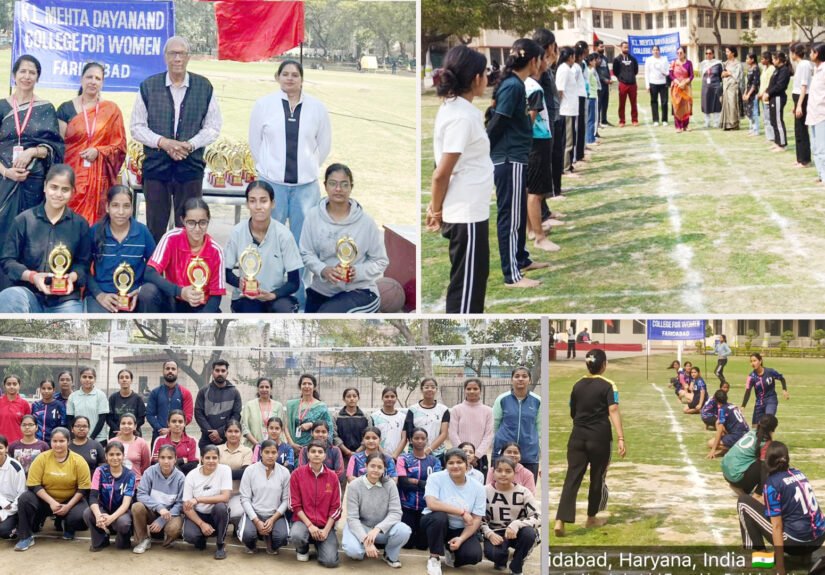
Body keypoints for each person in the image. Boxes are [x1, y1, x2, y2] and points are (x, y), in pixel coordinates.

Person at [130, 36, 222, 243]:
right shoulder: (149, 86)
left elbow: (213, 126)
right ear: (165, 58)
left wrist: (190, 145)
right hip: (156, 169)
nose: (177, 58)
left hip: (190, 169)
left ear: (189, 57)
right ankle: (154, 269)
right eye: (173, 53)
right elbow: (137, 127)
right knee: (155, 225)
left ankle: (186, 271)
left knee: (190, 225)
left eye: (182, 53)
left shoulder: (204, 87)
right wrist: (164, 142)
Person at [427, 45, 492, 313]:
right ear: (476, 78)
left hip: (471, 210)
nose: (488, 78)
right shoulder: (461, 117)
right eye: (486, 73)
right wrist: (436, 209)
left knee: (473, 283)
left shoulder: (458, 109)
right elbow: (441, 172)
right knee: (467, 290)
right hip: (466, 213)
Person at [249, 60, 331, 251]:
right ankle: (269, 280)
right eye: (285, 74)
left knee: (303, 242)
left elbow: (324, 144)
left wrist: (307, 167)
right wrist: (269, 168)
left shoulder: (317, 108)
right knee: (267, 238)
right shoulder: (263, 105)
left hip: (305, 188)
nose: (290, 79)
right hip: (272, 184)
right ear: (277, 77)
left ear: (302, 79)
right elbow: (255, 142)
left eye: (295, 75)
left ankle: (300, 282)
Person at [0, 54, 63, 290]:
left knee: (30, 236)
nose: (27, 76)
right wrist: (6, 172)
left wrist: (32, 152)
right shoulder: (1, 106)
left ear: (38, 77)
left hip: (33, 185)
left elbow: (55, 148)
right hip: (3, 183)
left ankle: (28, 287)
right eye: (22, 71)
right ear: (14, 75)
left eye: (32, 72)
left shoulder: (46, 108)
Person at [487, 39, 545, 290]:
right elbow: (497, 123)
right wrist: (483, 151)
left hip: (515, 158)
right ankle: (511, 274)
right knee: (510, 218)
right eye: (540, 59)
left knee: (517, 215)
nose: (542, 64)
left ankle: (520, 259)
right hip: (509, 159)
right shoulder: (512, 86)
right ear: (533, 61)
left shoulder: (515, 84)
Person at [0, 164, 90, 313]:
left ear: (73, 192)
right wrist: (33, 277)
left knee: (73, 323)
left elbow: (84, 264)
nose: (58, 194)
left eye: (65, 189)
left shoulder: (81, 225)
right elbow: (7, 260)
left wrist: (71, 278)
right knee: (8, 298)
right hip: (28, 295)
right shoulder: (24, 220)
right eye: (54, 187)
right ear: (44, 187)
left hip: (65, 300)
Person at [554, 349, 626, 536]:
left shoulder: (577, 385)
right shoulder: (609, 385)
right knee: (597, 477)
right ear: (604, 365)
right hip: (599, 438)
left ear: (587, 364)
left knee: (572, 478)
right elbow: (614, 409)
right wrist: (620, 437)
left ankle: (560, 520)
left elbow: (573, 411)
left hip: (577, 437)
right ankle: (591, 517)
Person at [300, 163, 388, 313]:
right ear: (325, 186)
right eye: (333, 183)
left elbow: (380, 261)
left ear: (351, 187)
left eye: (344, 184)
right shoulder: (313, 216)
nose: (338, 189)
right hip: (322, 290)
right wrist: (323, 270)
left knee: (328, 313)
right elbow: (306, 253)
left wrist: (357, 272)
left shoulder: (366, 222)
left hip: (359, 290)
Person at [736, 441, 825, 575]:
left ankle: (758, 555)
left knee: (743, 502)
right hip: (818, 539)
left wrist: (780, 568)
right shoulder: (798, 473)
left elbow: (777, 526)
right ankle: (806, 555)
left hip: (795, 544)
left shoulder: (773, 483)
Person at [56, 62, 126, 226]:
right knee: (69, 223)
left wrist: (99, 151)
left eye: (97, 78)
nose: (93, 81)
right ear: (81, 79)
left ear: (102, 83)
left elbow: (120, 146)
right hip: (71, 177)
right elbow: (59, 146)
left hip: (99, 181)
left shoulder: (111, 110)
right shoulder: (66, 109)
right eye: (89, 77)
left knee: (95, 225)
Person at [224, 181, 302, 313]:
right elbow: (225, 272)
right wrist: (240, 284)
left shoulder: (284, 235)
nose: (258, 206)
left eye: (264, 201)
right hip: (246, 296)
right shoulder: (237, 232)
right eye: (253, 201)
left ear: (273, 203)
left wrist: (272, 295)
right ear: (247, 204)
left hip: (276, 296)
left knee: (284, 309)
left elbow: (294, 282)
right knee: (250, 312)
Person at [14, 427, 91, 550]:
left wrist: (68, 506)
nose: (58, 444)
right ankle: (26, 537)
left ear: (68, 442)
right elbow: (33, 484)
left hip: (70, 500)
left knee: (80, 517)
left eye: (62, 441)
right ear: (50, 442)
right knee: (24, 499)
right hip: (46, 500)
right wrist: (52, 502)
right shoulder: (42, 458)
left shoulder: (78, 460)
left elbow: (83, 488)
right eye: (55, 441)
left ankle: (68, 525)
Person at [144, 197, 226, 312]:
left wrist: (202, 318)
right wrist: (180, 291)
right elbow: (149, 273)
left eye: (202, 223)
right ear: (183, 220)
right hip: (173, 298)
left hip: (201, 305)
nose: (197, 229)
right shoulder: (171, 238)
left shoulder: (216, 251)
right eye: (191, 223)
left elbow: (216, 295)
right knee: (148, 292)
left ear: (208, 220)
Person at [85, 185, 159, 313]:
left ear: (132, 208)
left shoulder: (142, 232)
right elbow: (83, 268)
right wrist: (99, 295)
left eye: (126, 206)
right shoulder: (95, 231)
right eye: (115, 206)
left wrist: (140, 290)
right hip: (105, 294)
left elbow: (155, 267)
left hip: (134, 295)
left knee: (150, 293)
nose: (121, 212)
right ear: (107, 207)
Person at [420, 448, 485, 575]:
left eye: (459, 462)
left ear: (467, 464)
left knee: (473, 556)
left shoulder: (478, 488)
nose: (455, 466)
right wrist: (462, 512)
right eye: (451, 463)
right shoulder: (435, 478)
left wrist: (461, 539)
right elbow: (432, 504)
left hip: (460, 528)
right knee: (439, 516)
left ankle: (450, 550)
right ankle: (434, 557)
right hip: (434, 523)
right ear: (445, 465)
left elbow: (477, 518)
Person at [342, 452, 412, 568]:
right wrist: (366, 540)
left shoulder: (390, 485)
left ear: (384, 469)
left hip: (381, 529)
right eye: (372, 466)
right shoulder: (355, 485)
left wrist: (377, 529)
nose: (376, 470)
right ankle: (364, 547)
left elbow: (396, 513)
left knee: (404, 530)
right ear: (366, 466)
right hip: (361, 526)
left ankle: (389, 555)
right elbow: (352, 518)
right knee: (355, 553)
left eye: (380, 467)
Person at [482, 456, 540, 574]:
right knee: (495, 555)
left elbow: (538, 517)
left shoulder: (523, 492)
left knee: (529, 534)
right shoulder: (484, 491)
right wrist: (489, 533)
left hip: (517, 532)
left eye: (508, 471)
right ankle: (501, 558)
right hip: (495, 532)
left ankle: (516, 566)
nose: (503, 474)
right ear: (493, 473)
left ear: (514, 474)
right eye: (499, 470)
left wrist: (517, 524)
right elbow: (477, 518)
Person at [289, 439, 342, 567]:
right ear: (308, 454)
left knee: (330, 562)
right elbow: (294, 505)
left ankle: (320, 543)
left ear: (325, 455)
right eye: (313, 451)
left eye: (320, 452)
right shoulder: (297, 474)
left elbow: (337, 508)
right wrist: (310, 526)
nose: (316, 454)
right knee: (296, 535)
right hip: (303, 522)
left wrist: (326, 530)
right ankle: (302, 548)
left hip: (325, 525)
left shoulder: (333, 477)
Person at [524, 50, 558, 253]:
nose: (546, 62)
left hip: (532, 142)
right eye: (543, 58)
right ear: (534, 62)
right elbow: (531, 118)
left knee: (530, 190)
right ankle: (539, 237)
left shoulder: (521, 84)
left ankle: (531, 229)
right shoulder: (533, 87)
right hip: (538, 141)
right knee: (536, 192)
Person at [238, 439, 291, 554]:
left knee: (282, 537)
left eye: (273, 452)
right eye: (267, 452)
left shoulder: (285, 472)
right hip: (254, 514)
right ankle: (252, 544)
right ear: (261, 452)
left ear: (278, 453)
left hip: (275, 515)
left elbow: (286, 500)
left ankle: (271, 541)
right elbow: (245, 498)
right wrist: (256, 521)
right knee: (247, 535)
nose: (270, 456)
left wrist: (273, 519)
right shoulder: (250, 471)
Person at [132, 444, 185, 553]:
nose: (166, 461)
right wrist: (159, 508)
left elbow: (180, 504)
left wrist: (162, 520)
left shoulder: (180, 477)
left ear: (175, 459)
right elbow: (141, 494)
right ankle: (143, 539)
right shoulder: (149, 472)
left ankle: (169, 538)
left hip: (170, 514)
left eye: (170, 458)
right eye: (162, 457)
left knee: (174, 528)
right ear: (158, 459)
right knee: (137, 506)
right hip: (152, 511)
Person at [83, 440, 136, 551]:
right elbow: (93, 496)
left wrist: (112, 518)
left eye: (118, 454)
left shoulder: (130, 475)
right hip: (104, 510)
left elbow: (126, 504)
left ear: (123, 456)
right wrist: (98, 516)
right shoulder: (100, 471)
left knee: (123, 523)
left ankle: (123, 538)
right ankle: (101, 538)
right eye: (111, 454)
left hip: (121, 513)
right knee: (88, 513)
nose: (115, 457)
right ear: (106, 456)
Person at [182, 445, 232, 559]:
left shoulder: (225, 470)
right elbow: (186, 506)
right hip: (198, 513)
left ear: (219, 459)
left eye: (214, 458)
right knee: (190, 536)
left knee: (221, 508)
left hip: (216, 513)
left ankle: (220, 544)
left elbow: (225, 497)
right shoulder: (192, 475)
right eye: (207, 458)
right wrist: (201, 524)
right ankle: (201, 538)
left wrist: (198, 499)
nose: (211, 461)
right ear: (201, 458)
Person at [398, 427, 441, 550]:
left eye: (423, 438)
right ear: (411, 440)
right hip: (407, 505)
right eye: (416, 438)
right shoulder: (403, 459)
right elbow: (402, 482)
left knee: (422, 546)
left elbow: (435, 484)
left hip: (426, 507)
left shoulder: (434, 461)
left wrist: (413, 481)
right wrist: (423, 483)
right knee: (407, 544)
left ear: (427, 440)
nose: (420, 441)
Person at [493, 367, 540, 480]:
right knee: (500, 487)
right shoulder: (502, 399)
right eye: (517, 376)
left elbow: (540, 428)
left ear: (529, 380)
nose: (520, 379)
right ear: (511, 380)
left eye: (524, 376)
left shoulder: (537, 400)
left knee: (527, 489)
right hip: (503, 453)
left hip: (528, 453)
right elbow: (494, 424)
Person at [722, 414, 777, 497]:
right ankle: (757, 495)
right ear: (773, 429)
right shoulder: (765, 442)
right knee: (767, 465)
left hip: (726, 471)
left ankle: (741, 488)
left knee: (757, 461)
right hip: (736, 477)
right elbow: (764, 468)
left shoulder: (752, 432)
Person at [194, 359, 243, 452]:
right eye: (217, 370)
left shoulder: (235, 392)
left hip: (227, 439)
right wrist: (211, 433)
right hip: (206, 439)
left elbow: (236, 416)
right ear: (212, 372)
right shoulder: (203, 391)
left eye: (223, 371)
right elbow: (198, 414)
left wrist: (220, 432)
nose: (220, 373)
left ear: (227, 373)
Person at [449, 378, 494, 476]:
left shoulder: (488, 411)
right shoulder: (456, 410)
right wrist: (463, 454)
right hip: (458, 457)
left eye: (475, 388)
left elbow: (488, 435)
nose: (472, 391)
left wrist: (476, 456)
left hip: (479, 459)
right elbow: (452, 433)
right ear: (464, 390)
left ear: (480, 390)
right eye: (469, 389)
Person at [146, 359, 194, 443]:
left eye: (173, 369)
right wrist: (160, 429)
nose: (170, 371)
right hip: (159, 434)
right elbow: (150, 415)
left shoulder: (186, 393)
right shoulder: (155, 392)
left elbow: (188, 416)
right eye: (167, 368)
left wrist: (171, 429)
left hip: (179, 435)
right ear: (163, 371)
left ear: (177, 371)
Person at [405, 378, 450, 464]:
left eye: (433, 387)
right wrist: (420, 451)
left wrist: (429, 449)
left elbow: (444, 433)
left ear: (436, 389)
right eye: (426, 387)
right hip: (415, 453)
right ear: (421, 389)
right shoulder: (413, 410)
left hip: (437, 454)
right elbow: (410, 433)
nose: (430, 389)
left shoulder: (443, 410)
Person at [284, 374, 334, 452]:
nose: (306, 386)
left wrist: (311, 425)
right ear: (300, 386)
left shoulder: (321, 406)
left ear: (314, 387)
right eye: (304, 384)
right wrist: (292, 444)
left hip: (315, 449)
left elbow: (329, 428)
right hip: (294, 447)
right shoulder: (292, 405)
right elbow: (286, 426)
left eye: (309, 384)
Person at [216, 419, 252, 528]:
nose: (233, 434)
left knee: (238, 514)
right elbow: (211, 472)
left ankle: (238, 530)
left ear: (241, 434)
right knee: (218, 511)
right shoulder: (217, 450)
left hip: (237, 494)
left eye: (236, 431)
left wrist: (222, 473)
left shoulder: (247, 451)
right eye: (230, 431)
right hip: (218, 493)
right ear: (225, 433)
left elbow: (244, 473)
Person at [743, 352, 789, 424]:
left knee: (767, 421)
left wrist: (784, 390)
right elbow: (748, 391)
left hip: (771, 400)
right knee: (755, 428)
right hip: (759, 403)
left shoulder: (770, 372)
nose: (752, 363)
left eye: (754, 361)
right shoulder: (751, 377)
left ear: (760, 361)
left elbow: (782, 378)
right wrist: (743, 406)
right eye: (751, 361)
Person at [66, 366, 109, 443]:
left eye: (90, 377)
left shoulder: (101, 395)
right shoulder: (73, 396)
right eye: (84, 377)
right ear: (80, 378)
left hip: (98, 439)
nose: (87, 379)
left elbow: (102, 419)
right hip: (78, 439)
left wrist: (91, 438)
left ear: (95, 379)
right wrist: (74, 437)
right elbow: (70, 419)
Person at [556, 47, 579, 184]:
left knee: (571, 139)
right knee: (568, 141)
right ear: (570, 57)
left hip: (571, 108)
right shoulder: (563, 69)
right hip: (566, 109)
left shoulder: (567, 69)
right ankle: (565, 168)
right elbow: (560, 90)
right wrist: (560, 107)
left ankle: (568, 165)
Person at [334, 387, 372, 471]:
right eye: (348, 396)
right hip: (342, 455)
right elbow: (334, 435)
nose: (352, 399)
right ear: (344, 399)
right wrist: (347, 451)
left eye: (354, 396)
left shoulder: (365, 416)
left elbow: (369, 435)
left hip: (362, 455)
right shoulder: (336, 416)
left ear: (358, 398)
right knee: (342, 480)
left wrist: (358, 451)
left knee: (361, 480)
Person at [240, 377, 284, 448]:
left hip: (272, 449)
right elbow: (244, 428)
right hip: (252, 447)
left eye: (267, 387)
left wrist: (270, 446)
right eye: (261, 387)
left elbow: (281, 428)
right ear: (257, 389)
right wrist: (257, 445)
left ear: (271, 389)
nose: (264, 389)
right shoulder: (249, 405)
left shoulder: (278, 406)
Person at [151, 409, 199, 474]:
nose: (177, 424)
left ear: (185, 423)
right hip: (163, 479)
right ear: (168, 423)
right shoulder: (159, 440)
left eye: (180, 421)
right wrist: (180, 460)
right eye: (174, 421)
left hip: (185, 480)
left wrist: (166, 462)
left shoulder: (192, 441)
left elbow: (193, 466)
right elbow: (155, 464)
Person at [707, 389, 750, 459]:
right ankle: (733, 445)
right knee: (718, 422)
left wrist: (713, 450)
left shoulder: (722, 410)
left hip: (738, 435)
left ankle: (736, 449)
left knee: (710, 443)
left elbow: (719, 431)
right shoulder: (732, 405)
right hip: (746, 433)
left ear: (716, 400)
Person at [111, 412, 151, 486]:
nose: (126, 426)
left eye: (129, 423)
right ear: (119, 425)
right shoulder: (112, 442)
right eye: (123, 423)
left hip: (135, 484)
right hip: (115, 484)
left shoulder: (141, 442)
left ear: (135, 426)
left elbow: (146, 465)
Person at [790, 43, 814, 168]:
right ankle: (800, 158)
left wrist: (799, 105)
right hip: (798, 99)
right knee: (798, 130)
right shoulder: (800, 65)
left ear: (795, 53)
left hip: (802, 99)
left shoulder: (804, 65)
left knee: (802, 130)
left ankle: (805, 160)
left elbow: (804, 86)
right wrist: (795, 105)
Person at [0, 433, 27, 539]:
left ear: (6, 448)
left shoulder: (15, 467)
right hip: (3, 503)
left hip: (12, 507)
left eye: (0, 448)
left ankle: (17, 525)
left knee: (4, 531)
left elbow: (22, 494)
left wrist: (3, 514)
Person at [107, 369, 146, 438]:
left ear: (131, 380)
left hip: (134, 434)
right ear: (118, 380)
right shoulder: (113, 398)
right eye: (121, 377)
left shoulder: (138, 399)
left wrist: (130, 429)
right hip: (116, 434)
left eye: (127, 377)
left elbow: (141, 419)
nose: (124, 380)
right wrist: (119, 430)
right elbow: (109, 419)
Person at [764, 51, 791, 151]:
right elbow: (772, 84)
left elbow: (780, 86)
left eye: (773, 58)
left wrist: (769, 93)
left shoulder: (784, 70)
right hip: (773, 98)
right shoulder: (777, 70)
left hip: (778, 98)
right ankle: (777, 141)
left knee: (778, 121)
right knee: (773, 121)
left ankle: (782, 144)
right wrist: (766, 92)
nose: (772, 60)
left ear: (778, 59)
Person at [371, 387, 408, 460]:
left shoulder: (403, 417)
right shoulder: (374, 417)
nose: (389, 399)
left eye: (392, 396)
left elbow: (404, 438)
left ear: (396, 398)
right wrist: (384, 455)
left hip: (399, 457)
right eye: (386, 396)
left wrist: (395, 456)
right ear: (382, 398)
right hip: (379, 457)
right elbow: (373, 438)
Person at [807, 43, 825, 186]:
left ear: (817, 53)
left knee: (822, 148)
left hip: (822, 114)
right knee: (815, 147)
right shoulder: (815, 69)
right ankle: (820, 174)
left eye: (812, 52)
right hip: (812, 113)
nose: (810, 54)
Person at [612, 41, 639, 127]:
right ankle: (622, 121)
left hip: (632, 84)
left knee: (633, 103)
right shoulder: (617, 59)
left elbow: (636, 70)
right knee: (622, 103)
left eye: (627, 47)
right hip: (623, 84)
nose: (626, 49)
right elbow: (615, 71)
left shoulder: (633, 59)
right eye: (624, 47)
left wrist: (630, 76)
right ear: (621, 48)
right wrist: (621, 78)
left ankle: (634, 120)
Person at [31, 378, 66, 443]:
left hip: (54, 442)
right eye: (43, 388)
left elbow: (63, 425)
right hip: (37, 442)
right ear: (40, 390)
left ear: (54, 390)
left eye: (49, 388)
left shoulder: (59, 405)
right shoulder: (35, 405)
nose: (46, 391)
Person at [669, 46, 694, 133]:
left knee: (686, 106)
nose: (679, 54)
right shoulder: (673, 63)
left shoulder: (689, 63)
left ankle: (686, 126)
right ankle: (678, 126)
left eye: (681, 53)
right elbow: (671, 75)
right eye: (678, 53)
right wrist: (678, 83)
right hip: (676, 87)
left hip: (686, 87)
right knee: (677, 106)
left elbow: (691, 75)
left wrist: (684, 83)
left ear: (684, 54)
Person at [0, 374, 31, 444]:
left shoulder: (24, 404)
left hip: (18, 445)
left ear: (19, 386)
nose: (11, 386)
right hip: (1, 445)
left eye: (14, 384)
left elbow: (28, 425)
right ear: (4, 386)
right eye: (8, 384)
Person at [645, 45, 670, 126]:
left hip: (663, 83)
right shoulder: (649, 60)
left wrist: (665, 73)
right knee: (654, 102)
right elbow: (647, 73)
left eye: (657, 50)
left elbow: (668, 71)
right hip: (653, 83)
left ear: (659, 51)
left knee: (664, 102)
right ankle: (655, 120)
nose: (656, 51)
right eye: (654, 50)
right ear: (652, 51)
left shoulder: (664, 59)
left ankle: (664, 120)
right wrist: (647, 85)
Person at [720, 46, 743, 131]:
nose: (726, 53)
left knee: (733, 105)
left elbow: (738, 76)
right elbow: (722, 74)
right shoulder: (725, 63)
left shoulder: (738, 64)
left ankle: (734, 124)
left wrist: (728, 73)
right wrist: (725, 73)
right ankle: (726, 124)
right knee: (726, 104)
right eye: (726, 52)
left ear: (733, 53)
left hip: (733, 86)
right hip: (725, 86)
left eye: (728, 52)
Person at [701, 48, 723, 128]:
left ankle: (716, 122)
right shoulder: (703, 64)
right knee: (706, 103)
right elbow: (702, 75)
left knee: (716, 104)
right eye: (706, 53)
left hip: (715, 86)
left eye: (710, 53)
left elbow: (721, 76)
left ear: (713, 54)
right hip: (706, 86)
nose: (708, 55)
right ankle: (707, 122)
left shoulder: (718, 63)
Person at [758, 51, 776, 142]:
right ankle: (769, 136)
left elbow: (770, 83)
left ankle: (772, 137)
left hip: (768, 96)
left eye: (762, 59)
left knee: (769, 117)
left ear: (767, 59)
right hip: (762, 97)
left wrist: (764, 93)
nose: (761, 60)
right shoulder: (764, 68)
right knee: (765, 117)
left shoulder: (772, 68)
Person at [593, 40, 612, 127]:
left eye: (603, 46)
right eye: (601, 47)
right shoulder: (594, 58)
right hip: (599, 84)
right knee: (599, 103)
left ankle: (604, 120)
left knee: (605, 102)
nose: (603, 48)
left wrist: (609, 78)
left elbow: (606, 69)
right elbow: (596, 71)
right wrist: (604, 79)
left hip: (606, 83)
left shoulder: (604, 58)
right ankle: (597, 122)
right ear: (596, 47)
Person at [744, 53, 762, 136]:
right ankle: (751, 128)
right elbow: (747, 83)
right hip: (748, 92)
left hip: (753, 94)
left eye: (748, 59)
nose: (746, 60)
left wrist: (749, 94)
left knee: (754, 111)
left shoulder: (756, 69)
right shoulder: (749, 68)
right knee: (749, 111)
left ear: (752, 59)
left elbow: (755, 84)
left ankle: (756, 130)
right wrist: (745, 93)